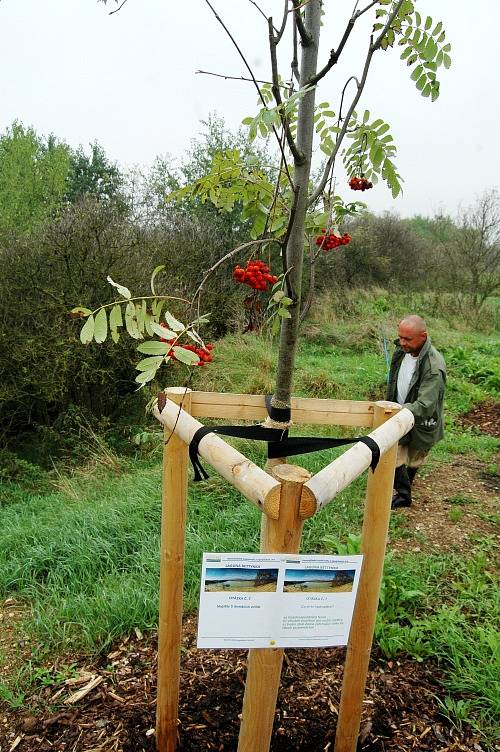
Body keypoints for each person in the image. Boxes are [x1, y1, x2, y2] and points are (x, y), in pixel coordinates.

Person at [386, 315, 446, 509]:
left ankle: (405, 492)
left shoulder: (433, 366)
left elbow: (426, 405)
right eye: (400, 337)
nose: (402, 342)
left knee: (414, 458)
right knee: (392, 453)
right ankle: (403, 494)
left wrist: (396, 409)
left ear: (423, 336)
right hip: (401, 412)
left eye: (407, 339)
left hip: (421, 419)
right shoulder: (402, 351)